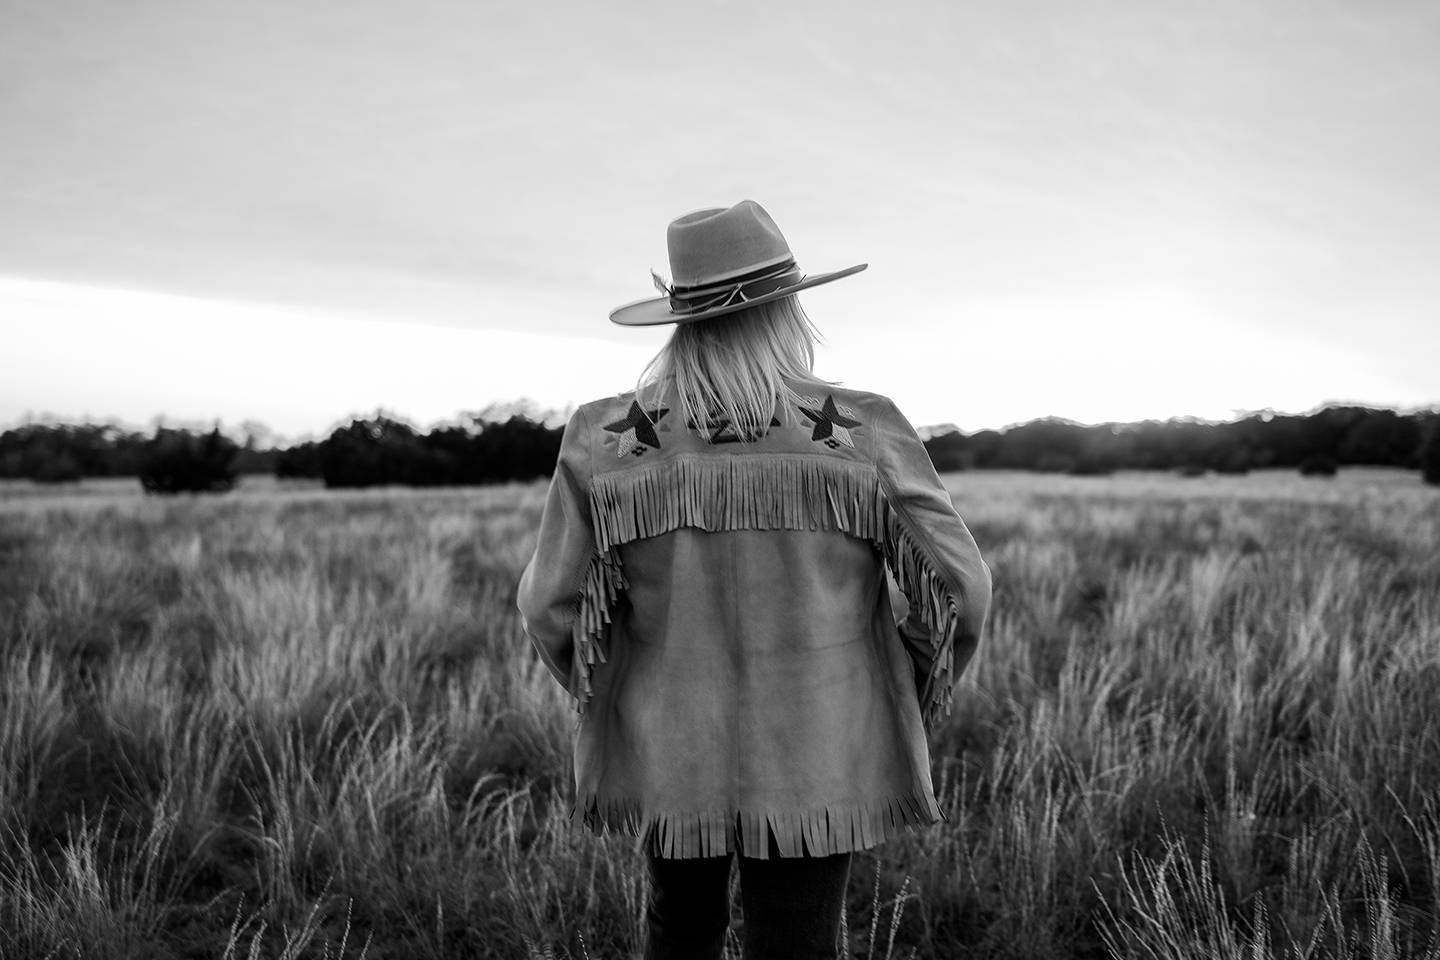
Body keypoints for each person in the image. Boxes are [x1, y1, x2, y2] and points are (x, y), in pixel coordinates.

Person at [516, 200, 992, 960]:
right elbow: (963, 591)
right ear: (789, 308)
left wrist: (614, 692)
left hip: (668, 739)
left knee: (680, 932)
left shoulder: (602, 440)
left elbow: (546, 606)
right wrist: (907, 678)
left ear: (679, 319)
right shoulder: (862, 428)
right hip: (822, 742)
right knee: (800, 946)